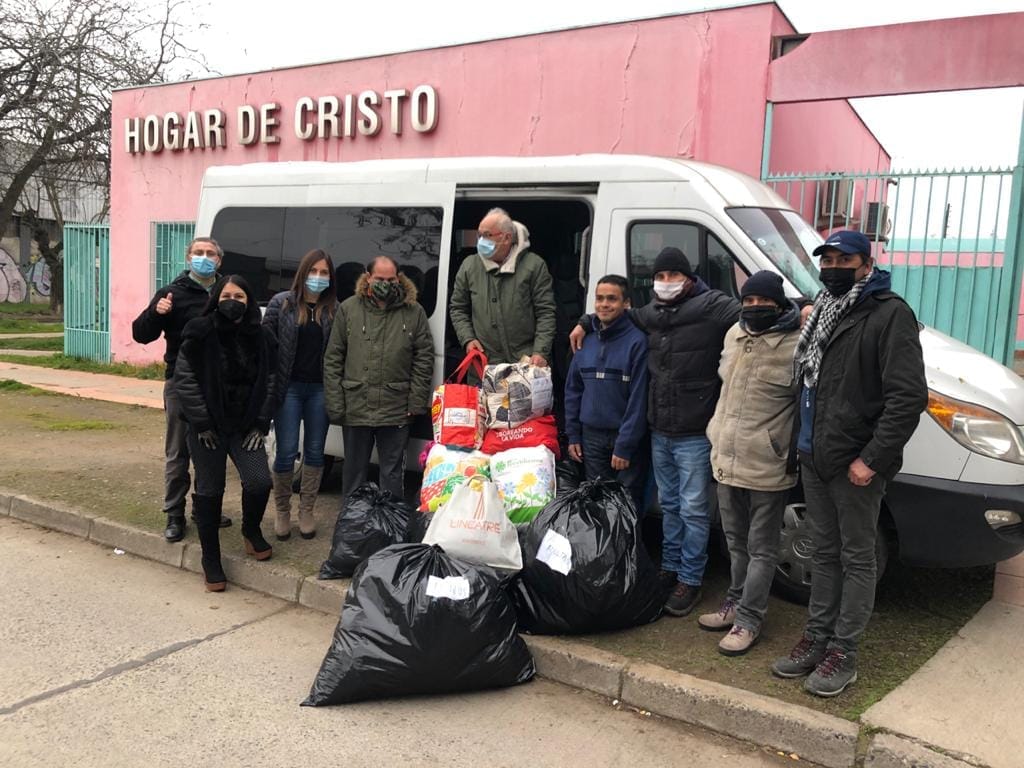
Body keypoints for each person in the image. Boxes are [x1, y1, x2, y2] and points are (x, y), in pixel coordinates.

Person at [772, 230, 926, 697]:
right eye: (828, 260)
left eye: (844, 260)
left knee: (858, 557)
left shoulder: (889, 313)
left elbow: (908, 398)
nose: (834, 268)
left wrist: (871, 459)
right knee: (824, 552)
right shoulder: (822, 309)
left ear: (866, 265)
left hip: (854, 463)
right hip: (814, 455)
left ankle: (844, 652)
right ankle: (817, 637)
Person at [571, 246, 740, 617]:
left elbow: (756, 311)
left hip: (694, 431)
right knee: (672, 507)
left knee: (694, 509)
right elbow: (613, 311)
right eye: (660, 276)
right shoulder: (651, 313)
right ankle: (670, 568)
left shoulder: (711, 306)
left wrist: (798, 310)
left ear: (688, 278)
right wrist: (585, 321)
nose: (665, 282)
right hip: (660, 430)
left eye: (673, 275)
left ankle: (690, 579)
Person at [700, 271, 801, 656]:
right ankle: (734, 602)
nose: (755, 307)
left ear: (779, 304)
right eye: (749, 301)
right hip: (727, 460)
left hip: (767, 466)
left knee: (762, 548)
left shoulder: (796, 344)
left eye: (764, 301)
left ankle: (749, 619)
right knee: (735, 544)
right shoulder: (734, 335)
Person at [173, 275, 279, 592]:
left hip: (245, 426)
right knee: (210, 490)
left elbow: (272, 380)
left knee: (260, 481)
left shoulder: (262, 335)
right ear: (216, 299)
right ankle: (211, 558)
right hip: (207, 428)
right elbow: (185, 379)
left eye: (240, 297)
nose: (233, 302)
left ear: (249, 301)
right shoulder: (199, 330)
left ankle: (250, 530)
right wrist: (201, 422)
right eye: (227, 296)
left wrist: (261, 422)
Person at [131, 236, 232, 542]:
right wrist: (156, 312)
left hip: (216, 384)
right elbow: (141, 334)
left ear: (219, 260)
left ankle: (204, 509)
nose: (205, 257)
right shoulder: (171, 293)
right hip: (180, 382)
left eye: (210, 253)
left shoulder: (226, 291)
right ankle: (174, 513)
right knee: (178, 452)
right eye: (198, 252)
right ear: (189, 258)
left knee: (210, 450)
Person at [323, 256, 434, 501]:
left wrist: (416, 402)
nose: (385, 284)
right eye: (379, 279)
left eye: (390, 279)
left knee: (392, 475)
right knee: (354, 473)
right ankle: (352, 519)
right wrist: (336, 404)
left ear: (399, 278)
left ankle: (389, 521)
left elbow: (424, 360)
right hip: (356, 406)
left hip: (396, 408)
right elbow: (333, 359)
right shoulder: (349, 309)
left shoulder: (414, 312)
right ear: (368, 277)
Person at [263, 249, 337, 541]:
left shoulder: (334, 309)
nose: (318, 277)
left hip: (320, 389)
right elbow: (265, 346)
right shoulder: (281, 303)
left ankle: (307, 510)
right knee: (286, 450)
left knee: (316, 452)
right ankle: (282, 511)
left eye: (324, 272)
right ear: (303, 273)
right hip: (289, 388)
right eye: (313, 271)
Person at [564, 274, 649, 509]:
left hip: (624, 437)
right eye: (599, 298)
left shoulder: (637, 342)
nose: (604, 304)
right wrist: (573, 434)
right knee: (597, 503)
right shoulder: (584, 341)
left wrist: (625, 446)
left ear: (626, 303)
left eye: (612, 299)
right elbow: (573, 391)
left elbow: (638, 401)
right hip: (591, 437)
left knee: (627, 505)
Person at [449, 207, 556, 367]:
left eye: (487, 235)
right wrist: (468, 339)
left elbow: (545, 312)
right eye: (479, 235)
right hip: (483, 363)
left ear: (506, 238)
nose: (481, 241)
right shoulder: (469, 266)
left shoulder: (534, 265)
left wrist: (540, 351)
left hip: (526, 363)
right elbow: (458, 308)